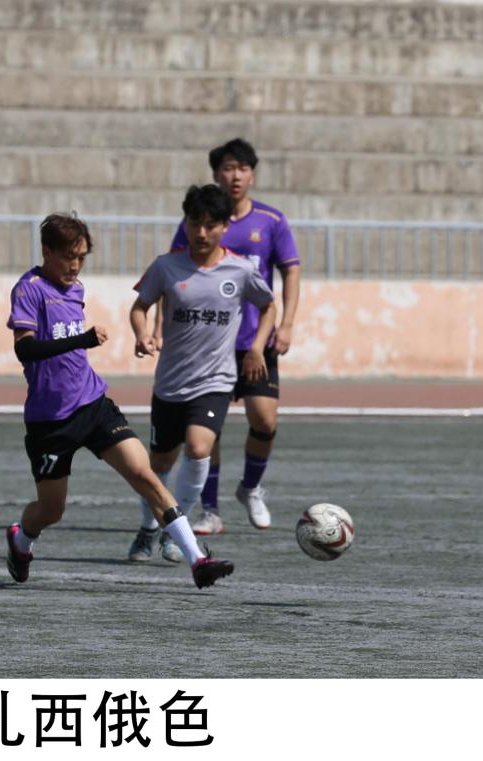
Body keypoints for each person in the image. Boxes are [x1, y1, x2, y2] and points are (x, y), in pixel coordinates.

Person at [5, 212, 234, 590]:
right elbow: (25, 350)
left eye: (81, 257)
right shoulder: (29, 290)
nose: (75, 266)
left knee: (145, 475)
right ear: (47, 251)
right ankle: (21, 539)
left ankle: (198, 560)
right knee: (51, 510)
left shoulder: (76, 288)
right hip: (51, 422)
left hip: (93, 404)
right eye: (68, 257)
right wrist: (82, 340)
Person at [127, 184, 277, 563]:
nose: (202, 232)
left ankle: (176, 531)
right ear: (187, 224)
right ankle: (148, 528)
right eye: (195, 224)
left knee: (198, 449)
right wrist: (143, 334)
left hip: (215, 382)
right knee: (159, 465)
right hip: (170, 383)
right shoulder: (166, 266)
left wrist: (257, 347)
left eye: (211, 225)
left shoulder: (240, 270)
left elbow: (268, 305)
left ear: (225, 227)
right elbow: (139, 306)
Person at [160, 138, 300, 536]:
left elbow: (290, 270)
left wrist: (287, 323)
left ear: (252, 175)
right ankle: (209, 510)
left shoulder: (271, 221)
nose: (234, 176)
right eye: (227, 168)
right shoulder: (199, 222)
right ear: (215, 174)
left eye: (242, 168)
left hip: (255, 342)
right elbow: (173, 272)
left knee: (264, 419)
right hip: (206, 343)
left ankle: (250, 488)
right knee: (208, 432)